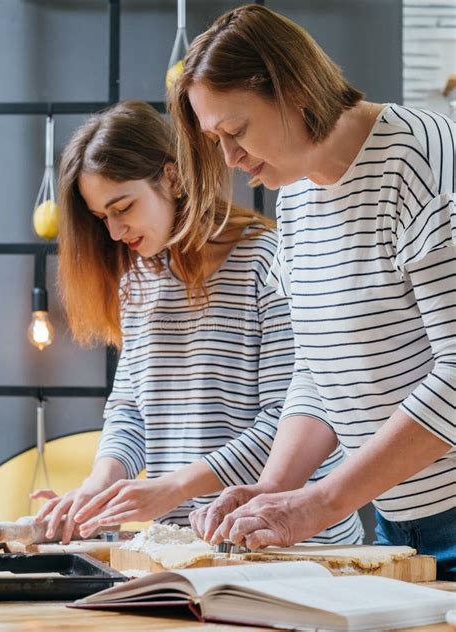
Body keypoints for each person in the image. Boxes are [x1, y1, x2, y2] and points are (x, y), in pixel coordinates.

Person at [169, 4, 456, 579]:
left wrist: (324, 503)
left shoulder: (423, 158)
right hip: (400, 521)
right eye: (215, 139)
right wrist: (272, 490)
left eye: (237, 131)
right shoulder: (296, 194)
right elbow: (322, 369)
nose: (229, 159)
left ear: (294, 89)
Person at [31, 100, 363, 546]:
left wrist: (173, 488)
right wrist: (99, 486)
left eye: (122, 207)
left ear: (171, 176)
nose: (113, 232)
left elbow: (288, 422)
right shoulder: (137, 284)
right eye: (100, 217)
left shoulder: (267, 263)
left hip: (293, 540)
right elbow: (131, 413)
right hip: (190, 545)